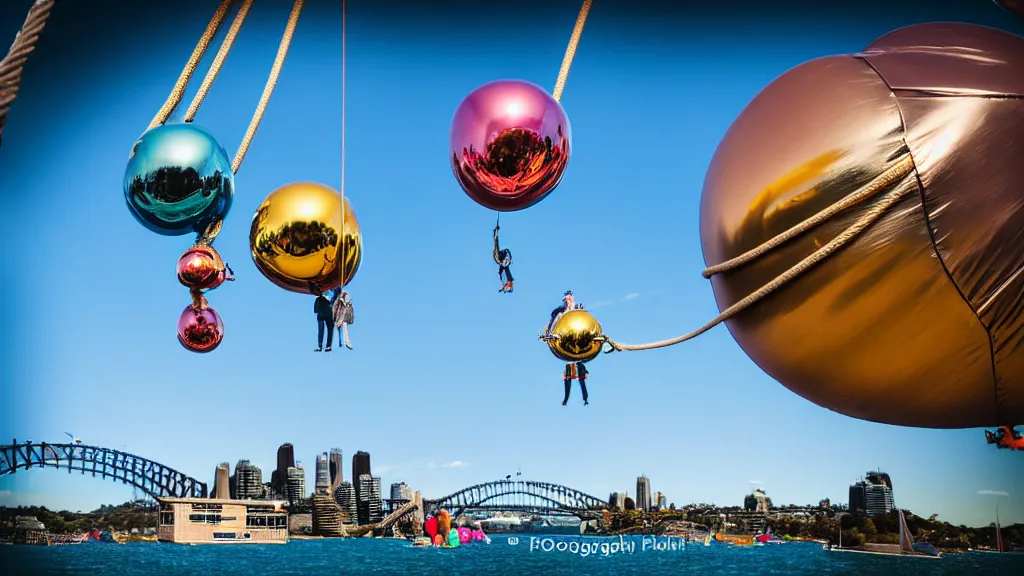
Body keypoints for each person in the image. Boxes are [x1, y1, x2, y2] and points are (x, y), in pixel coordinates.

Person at [493, 225, 514, 293]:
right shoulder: (509, 280)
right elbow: (510, 281)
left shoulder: (505, 282)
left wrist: (501, 289)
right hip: (505, 256)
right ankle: (506, 259)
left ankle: (495, 234)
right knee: (499, 260)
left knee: (497, 259)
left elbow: (503, 286)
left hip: (503, 259)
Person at [313, 288, 334, 352]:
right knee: (328, 329)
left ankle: (322, 346)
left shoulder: (320, 297)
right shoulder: (331, 293)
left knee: (321, 330)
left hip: (324, 312)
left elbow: (315, 310)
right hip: (326, 312)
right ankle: (327, 345)